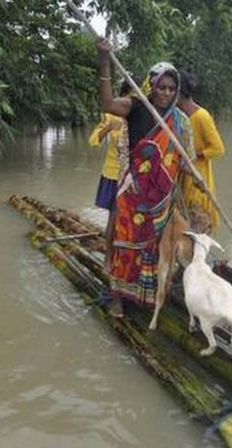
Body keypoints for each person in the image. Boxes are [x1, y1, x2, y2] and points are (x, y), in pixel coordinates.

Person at [95, 37, 195, 318]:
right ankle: (116, 296)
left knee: (151, 248)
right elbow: (106, 102)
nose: (165, 93)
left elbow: (186, 161)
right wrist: (103, 60)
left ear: (177, 92)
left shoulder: (181, 122)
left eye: (171, 89)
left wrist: (196, 177)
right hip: (132, 194)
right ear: (151, 86)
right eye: (161, 87)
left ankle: (141, 295)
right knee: (125, 246)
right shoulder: (136, 107)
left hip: (161, 199)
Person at [177, 71, 225, 233]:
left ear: (179, 94)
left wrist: (195, 156)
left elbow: (218, 148)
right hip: (182, 177)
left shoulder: (201, 117)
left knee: (197, 223)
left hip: (197, 179)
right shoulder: (179, 117)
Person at [88, 79, 131, 260]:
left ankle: (124, 257)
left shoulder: (142, 117)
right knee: (114, 218)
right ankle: (108, 258)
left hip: (133, 176)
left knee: (129, 220)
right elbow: (93, 141)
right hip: (114, 174)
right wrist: (107, 128)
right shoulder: (112, 115)